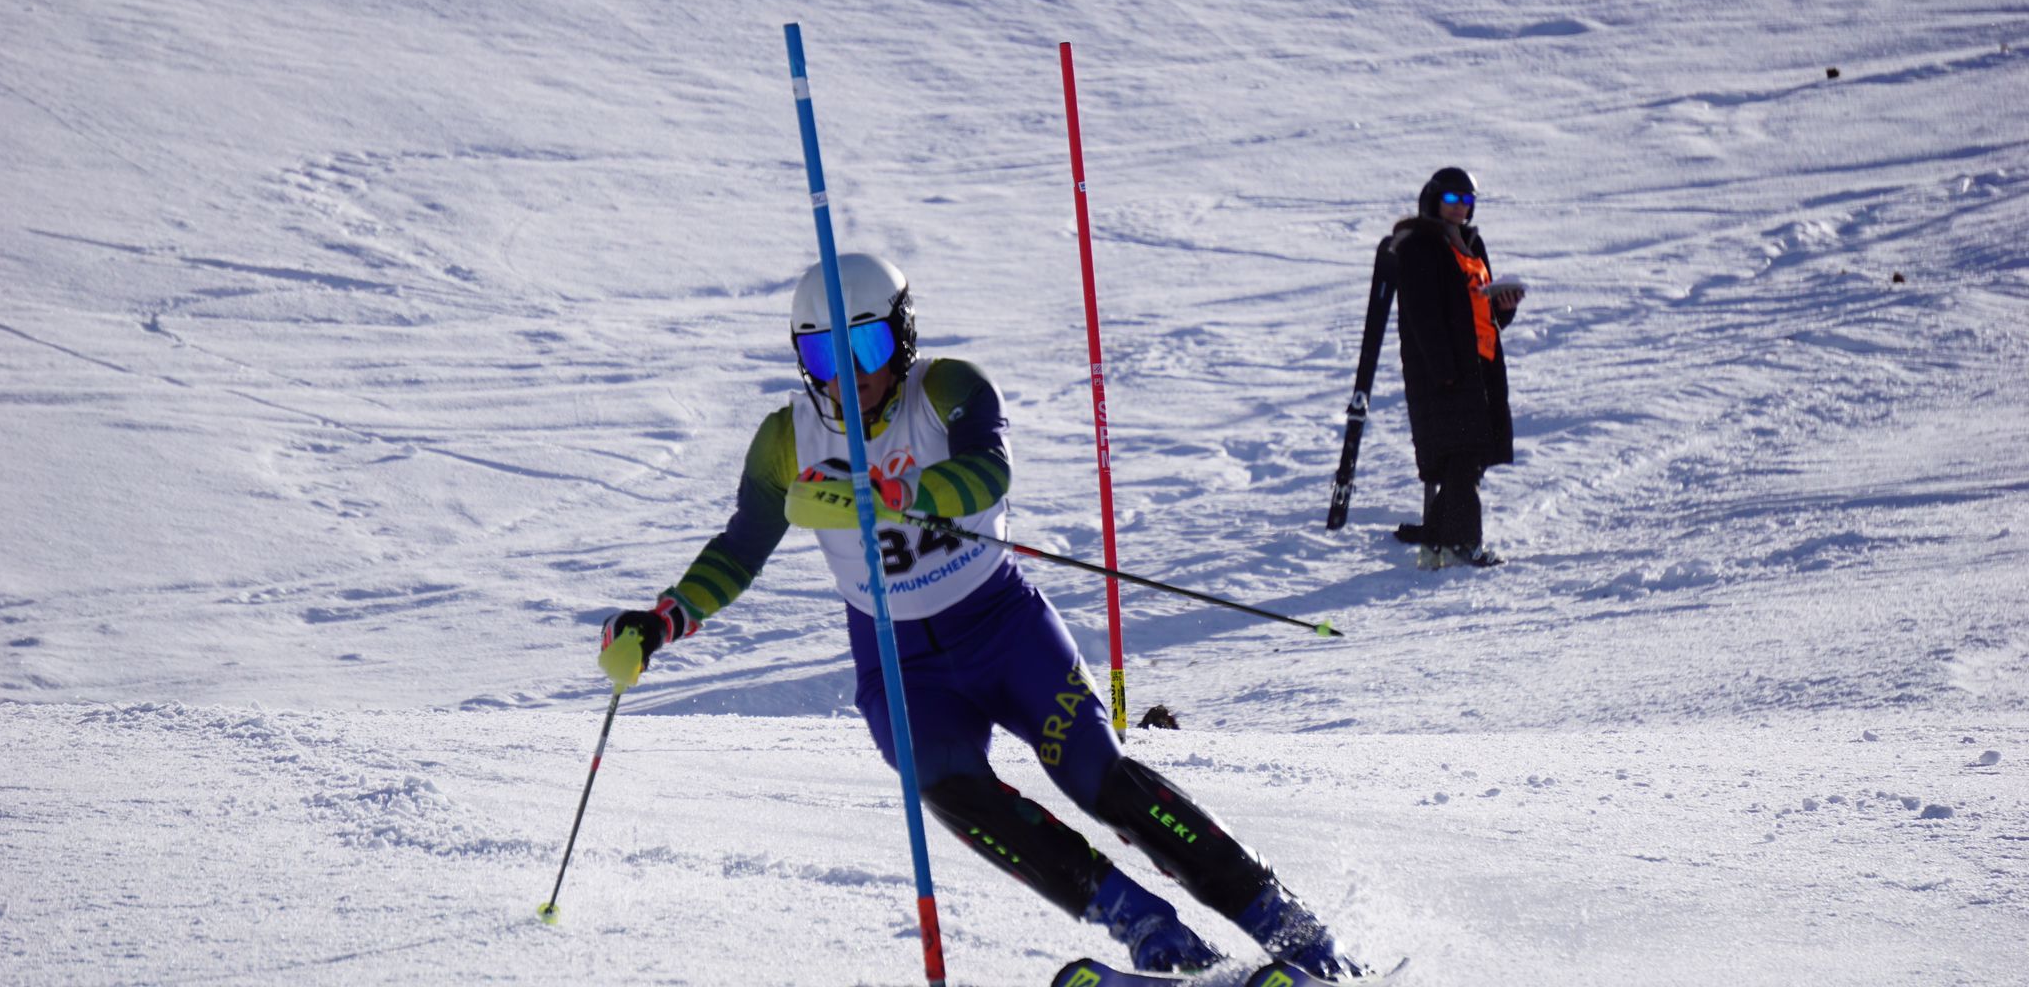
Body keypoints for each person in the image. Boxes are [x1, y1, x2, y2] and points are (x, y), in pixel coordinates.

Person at [601, 253, 1358, 979]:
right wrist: (660, 623)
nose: (854, 374)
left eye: (866, 344)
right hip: (902, 664)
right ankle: (1148, 929)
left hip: (1003, 629)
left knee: (1099, 778)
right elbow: (740, 549)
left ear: (901, 337)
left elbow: (988, 471)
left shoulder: (949, 389)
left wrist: (902, 495)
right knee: (943, 781)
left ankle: (1285, 925)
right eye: (827, 356)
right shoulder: (784, 442)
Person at [1391, 168, 1522, 569]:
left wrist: (1504, 308)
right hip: (1445, 373)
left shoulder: (1471, 244)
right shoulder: (1420, 247)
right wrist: (1445, 372)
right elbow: (1423, 316)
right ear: (1432, 200)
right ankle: (1463, 544)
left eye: (1466, 201)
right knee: (1462, 456)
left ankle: (1435, 539)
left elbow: (1478, 313)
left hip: (1478, 366)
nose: (1460, 209)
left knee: (1468, 458)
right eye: (1451, 200)